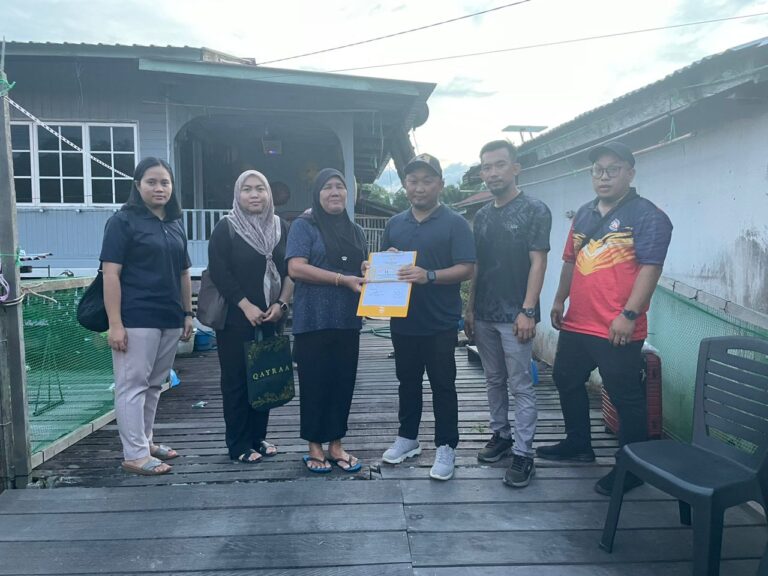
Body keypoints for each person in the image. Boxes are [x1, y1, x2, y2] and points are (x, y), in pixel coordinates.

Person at [536, 141, 673, 496]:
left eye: (613, 169)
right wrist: (559, 299)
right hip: (578, 322)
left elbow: (651, 268)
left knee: (625, 396)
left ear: (630, 173)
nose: (604, 176)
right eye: (598, 170)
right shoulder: (584, 213)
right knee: (566, 379)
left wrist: (629, 314)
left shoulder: (648, 215)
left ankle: (632, 468)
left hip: (617, 326)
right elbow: (570, 261)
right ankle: (578, 443)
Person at [380, 154, 475, 481]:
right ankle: (408, 437)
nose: (419, 187)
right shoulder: (395, 223)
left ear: (440, 184)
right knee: (407, 382)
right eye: (413, 181)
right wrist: (377, 265)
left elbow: (467, 268)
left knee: (443, 384)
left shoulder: (455, 223)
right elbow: (383, 266)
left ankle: (446, 446)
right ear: (405, 185)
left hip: (440, 322)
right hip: (403, 320)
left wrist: (429, 275)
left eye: (427, 181)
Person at [465, 140, 551, 488]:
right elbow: (477, 266)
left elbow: (538, 262)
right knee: (493, 379)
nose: (492, 173)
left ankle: (524, 453)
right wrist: (470, 308)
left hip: (517, 315)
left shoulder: (535, 209)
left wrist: (528, 310)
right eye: (486, 167)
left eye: (499, 165)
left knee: (521, 384)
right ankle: (500, 434)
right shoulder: (483, 216)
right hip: (484, 313)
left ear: (515, 168)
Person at [101, 157, 194, 475]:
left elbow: (184, 272)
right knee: (132, 385)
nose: (159, 188)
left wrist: (187, 312)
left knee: (155, 385)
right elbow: (110, 274)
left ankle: (146, 442)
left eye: (165, 182)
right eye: (151, 182)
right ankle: (135, 455)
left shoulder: (175, 223)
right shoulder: (122, 222)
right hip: (136, 317)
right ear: (138, 185)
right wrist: (115, 324)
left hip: (169, 316)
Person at [208, 170, 293, 464]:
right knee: (236, 382)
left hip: (271, 317)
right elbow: (220, 272)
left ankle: (258, 437)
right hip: (235, 319)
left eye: (260, 188)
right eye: (247, 189)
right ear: (237, 194)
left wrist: (281, 304)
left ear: (269, 194)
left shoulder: (281, 227)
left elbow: (289, 270)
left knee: (265, 377)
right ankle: (239, 443)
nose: (254, 195)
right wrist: (245, 306)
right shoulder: (227, 228)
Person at [286, 168, 367, 473]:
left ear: (348, 193)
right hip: (313, 320)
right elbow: (296, 268)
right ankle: (314, 447)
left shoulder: (355, 231)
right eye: (327, 187)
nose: (335, 192)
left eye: (340, 187)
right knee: (315, 385)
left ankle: (336, 445)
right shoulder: (304, 226)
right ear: (317, 194)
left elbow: (361, 267)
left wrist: (371, 267)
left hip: (347, 320)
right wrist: (341, 279)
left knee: (342, 384)